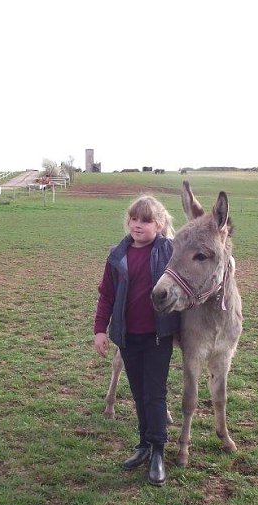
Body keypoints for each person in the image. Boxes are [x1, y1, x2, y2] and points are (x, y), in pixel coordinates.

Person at [93, 195, 179, 486]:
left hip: (157, 336)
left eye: (146, 220)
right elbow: (106, 294)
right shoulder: (117, 255)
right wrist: (100, 330)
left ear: (160, 224)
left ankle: (158, 451)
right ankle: (142, 445)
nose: (138, 225)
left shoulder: (169, 250)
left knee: (154, 394)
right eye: (133, 219)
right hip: (128, 336)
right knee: (139, 393)